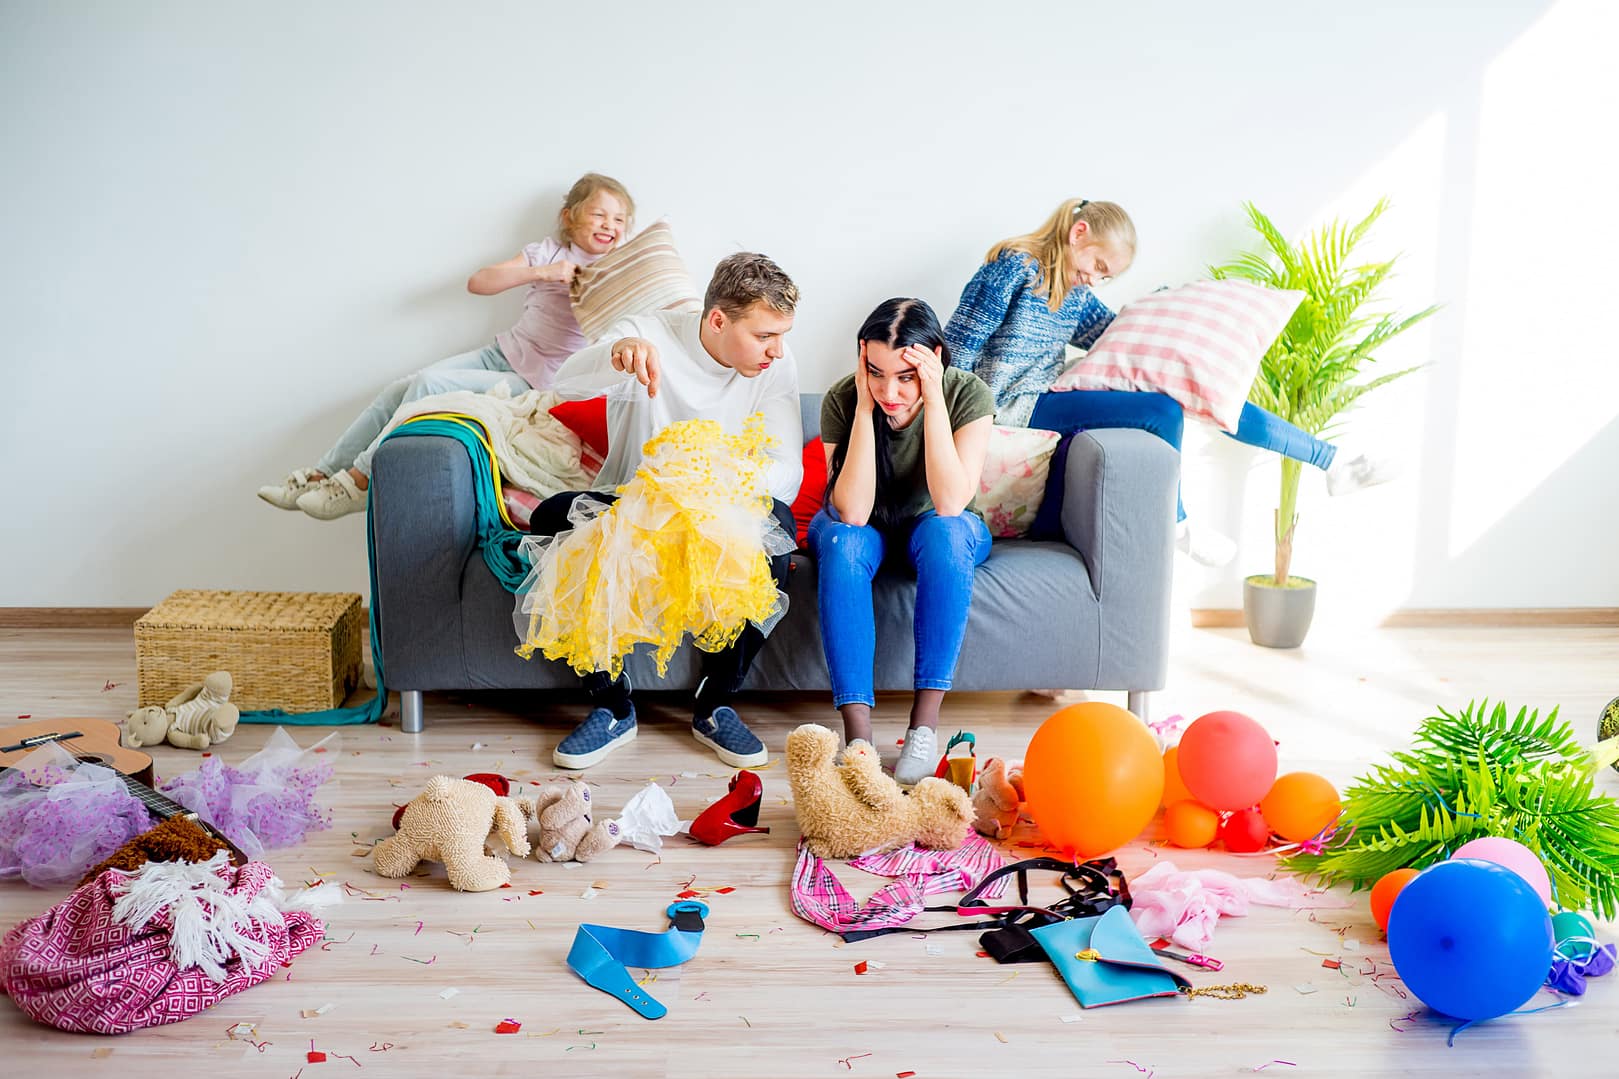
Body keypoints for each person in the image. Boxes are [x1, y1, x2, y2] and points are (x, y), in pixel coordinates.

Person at [943, 198, 1394, 566]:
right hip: (1008, 407)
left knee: (1200, 392)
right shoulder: (1013, 268)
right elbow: (957, 348)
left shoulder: (1076, 294)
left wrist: (1177, 323)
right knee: (1162, 411)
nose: (1095, 278)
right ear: (1078, 233)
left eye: (1106, 276)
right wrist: (950, 426)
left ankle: (1330, 460)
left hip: (1043, 397)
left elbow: (1119, 335)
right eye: (1098, 264)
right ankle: (1176, 522)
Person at [530, 252, 804, 771]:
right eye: (764, 335)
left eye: (781, 335)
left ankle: (714, 703)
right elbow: (563, 383)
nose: (777, 349)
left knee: (779, 527)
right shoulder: (647, 333)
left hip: (721, 506)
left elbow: (787, 467)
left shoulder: (777, 365)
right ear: (718, 320)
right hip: (633, 502)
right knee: (551, 519)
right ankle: (613, 707)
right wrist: (614, 355)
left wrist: (711, 487)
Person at [257, 172, 634, 520]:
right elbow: (479, 282)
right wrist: (544, 272)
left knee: (429, 384)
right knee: (398, 390)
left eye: (619, 219)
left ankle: (360, 479)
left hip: (535, 380)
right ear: (569, 217)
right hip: (501, 354)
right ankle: (321, 474)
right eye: (599, 214)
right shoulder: (548, 252)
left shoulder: (615, 271)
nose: (609, 225)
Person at [808, 298, 995, 786]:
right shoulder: (844, 398)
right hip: (866, 529)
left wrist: (933, 401)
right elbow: (853, 511)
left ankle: (923, 729)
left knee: (947, 533)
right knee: (844, 541)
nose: (889, 391)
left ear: (933, 361)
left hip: (937, 527)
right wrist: (863, 408)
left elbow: (950, 503)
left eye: (905, 377)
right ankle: (858, 739)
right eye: (876, 373)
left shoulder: (966, 394)